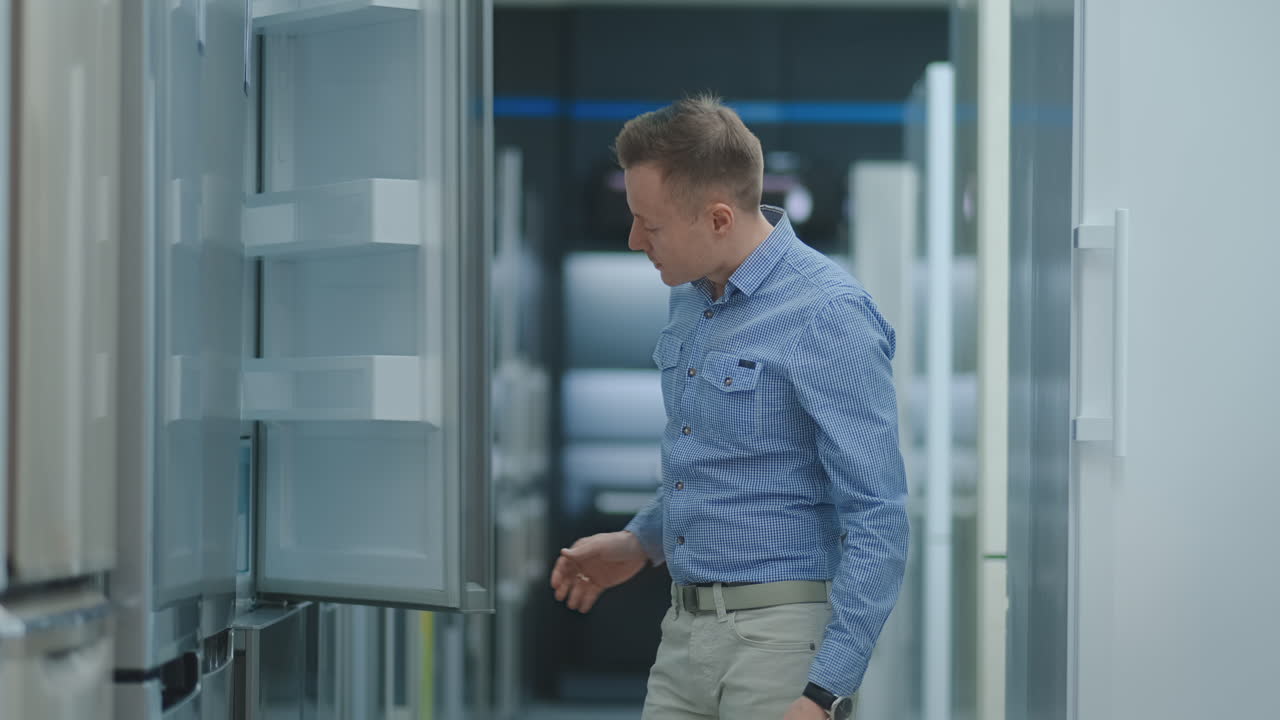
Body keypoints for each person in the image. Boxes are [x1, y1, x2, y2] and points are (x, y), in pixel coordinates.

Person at [550, 94, 908, 720]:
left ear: (718, 218)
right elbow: (720, 463)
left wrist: (826, 691)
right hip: (684, 634)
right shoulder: (691, 298)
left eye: (650, 224)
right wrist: (640, 543)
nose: (636, 240)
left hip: (782, 647)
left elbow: (878, 516)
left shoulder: (828, 314)